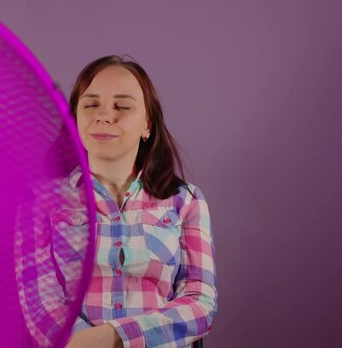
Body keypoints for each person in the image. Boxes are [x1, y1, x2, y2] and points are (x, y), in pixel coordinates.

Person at [15, 55, 217, 348]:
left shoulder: (186, 201)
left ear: (147, 125)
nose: (104, 115)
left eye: (122, 106)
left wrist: (114, 338)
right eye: (90, 104)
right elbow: (41, 305)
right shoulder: (39, 202)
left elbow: (201, 303)